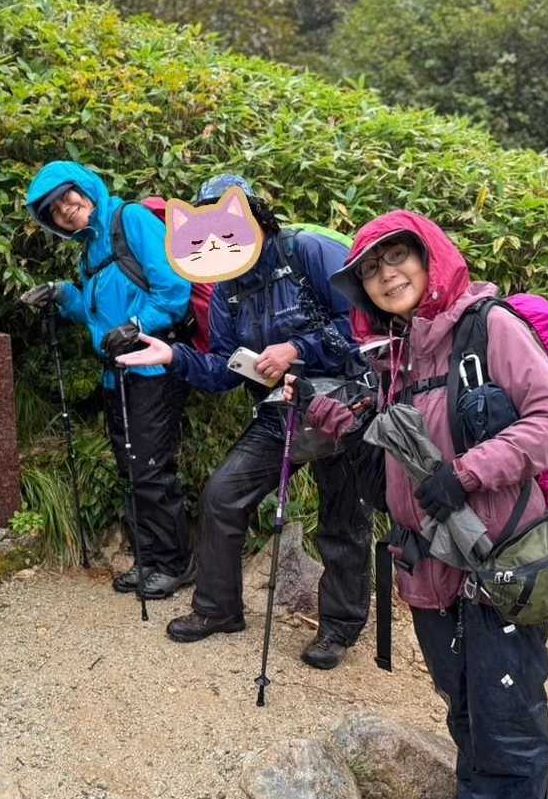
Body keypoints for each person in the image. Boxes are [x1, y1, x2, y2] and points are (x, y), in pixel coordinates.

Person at [304, 210, 548, 799]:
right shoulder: (395, 355)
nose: (386, 275)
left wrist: (466, 473)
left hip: (498, 558)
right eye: (370, 270)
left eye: (397, 256)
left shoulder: (488, 329)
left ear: (431, 257)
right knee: (464, 701)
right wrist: (346, 427)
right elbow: (398, 467)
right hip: (430, 564)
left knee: (505, 708)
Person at [117, 173, 372, 669]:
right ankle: (218, 609)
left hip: (343, 408)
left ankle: (338, 630)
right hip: (280, 412)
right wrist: (174, 356)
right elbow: (223, 370)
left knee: (343, 520)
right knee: (222, 495)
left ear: (257, 216)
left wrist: (297, 348)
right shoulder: (227, 289)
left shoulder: (308, 252)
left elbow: (364, 324)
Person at [20, 161, 196, 599]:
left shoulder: (129, 219)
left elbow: (174, 289)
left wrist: (136, 326)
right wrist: (63, 293)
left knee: (150, 467)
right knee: (130, 467)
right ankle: (148, 558)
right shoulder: (89, 249)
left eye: (66, 197)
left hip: (152, 366)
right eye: (53, 211)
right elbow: (94, 312)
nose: (64, 210)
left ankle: (174, 563)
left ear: (83, 187)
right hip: (117, 374)